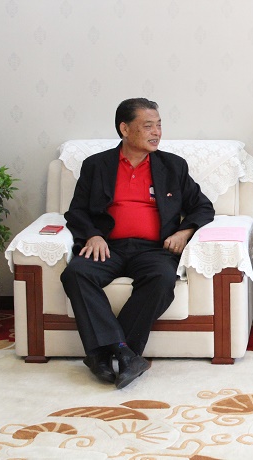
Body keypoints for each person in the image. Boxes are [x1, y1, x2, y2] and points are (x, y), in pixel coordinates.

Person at [60, 98, 215, 389]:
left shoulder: (173, 166)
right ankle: (126, 354)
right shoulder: (96, 165)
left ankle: (104, 353)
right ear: (125, 129)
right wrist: (93, 235)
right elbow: (76, 211)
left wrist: (184, 232)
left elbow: (203, 207)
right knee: (76, 274)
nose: (157, 132)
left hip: (154, 249)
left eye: (159, 125)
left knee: (162, 278)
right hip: (108, 246)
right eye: (148, 126)